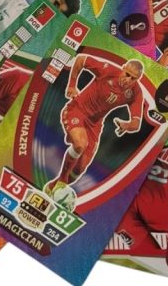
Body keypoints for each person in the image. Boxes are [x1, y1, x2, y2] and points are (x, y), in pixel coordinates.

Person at [44, 54, 146, 197]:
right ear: (123, 69)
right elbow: (81, 60)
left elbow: (136, 123)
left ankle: (53, 188)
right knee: (80, 144)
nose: (128, 80)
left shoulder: (135, 93)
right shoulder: (108, 70)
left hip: (95, 124)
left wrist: (127, 125)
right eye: (127, 74)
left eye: (133, 78)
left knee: (80, 169)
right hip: (77, 110)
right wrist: (72, 85)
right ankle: (61, 181)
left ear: (137, 79)